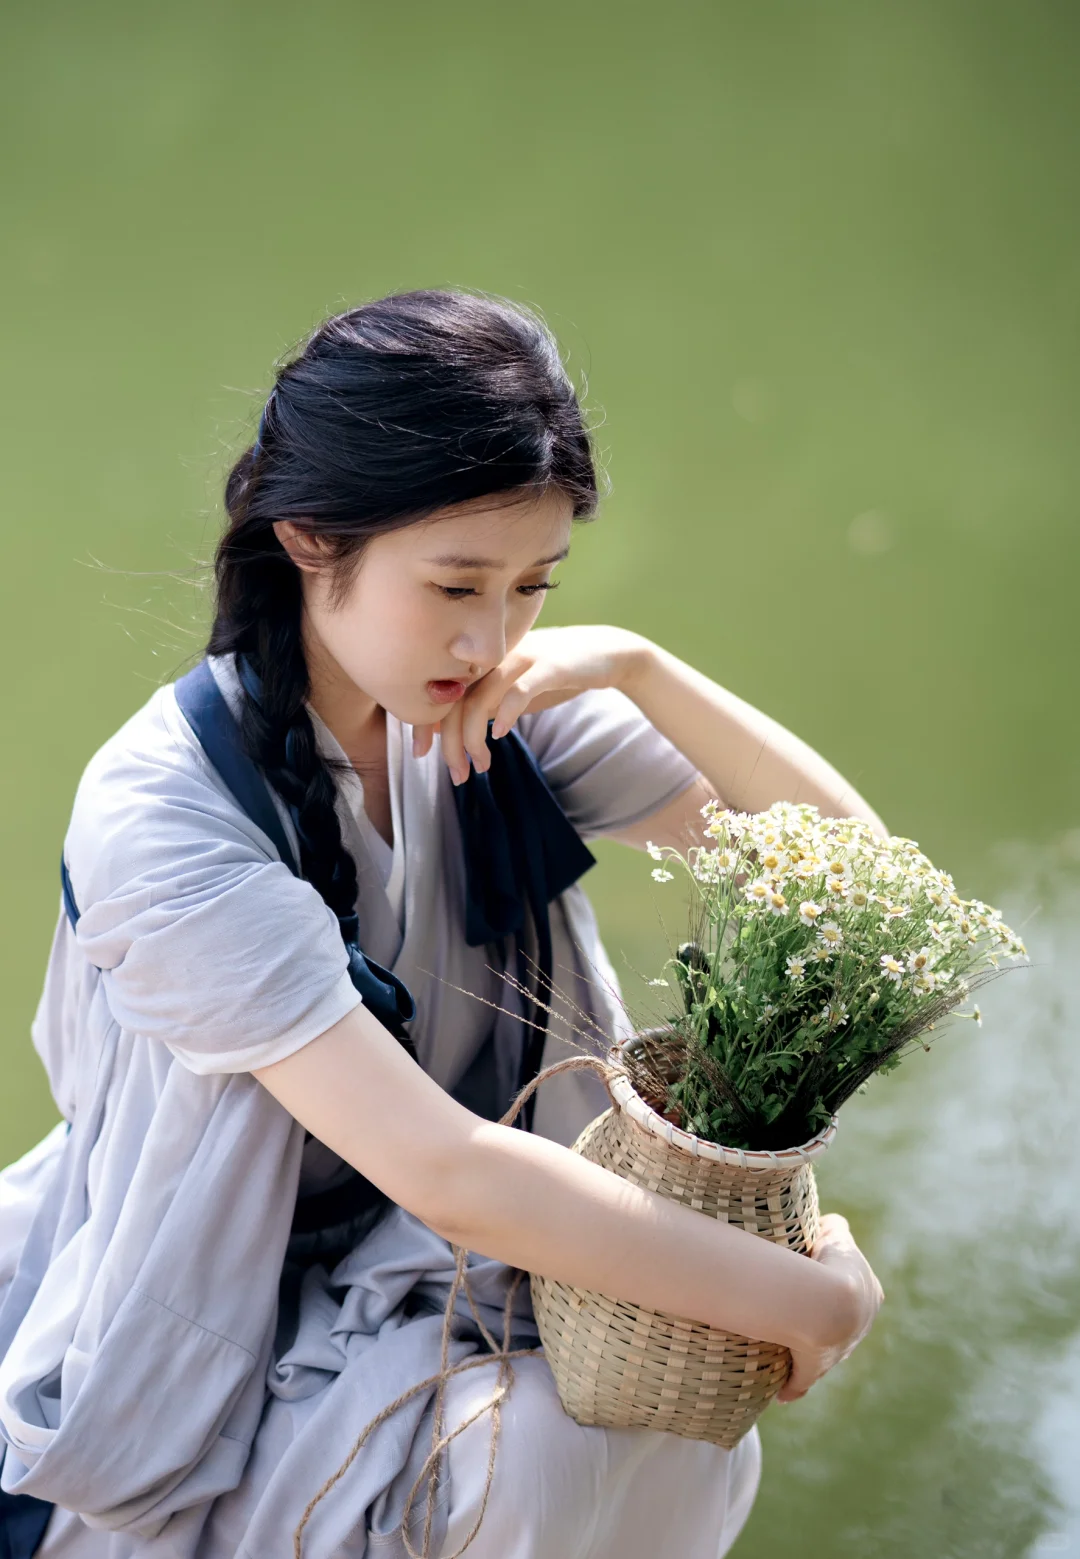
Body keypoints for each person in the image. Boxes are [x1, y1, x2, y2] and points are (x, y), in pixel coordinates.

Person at [0, 289, 884, 1559]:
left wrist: (642, 665)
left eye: (533, 584)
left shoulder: (497, 705)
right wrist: (815, 1293)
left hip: (450, 1269)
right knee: (558, 1459)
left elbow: (859, 893)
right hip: (217, 1310)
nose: (492, 634)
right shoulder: (167, 814)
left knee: (664, 1428)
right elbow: (448, 1165)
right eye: (455, 583)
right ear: (311, 539)